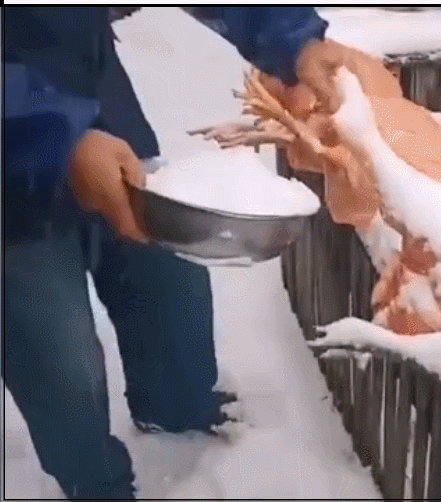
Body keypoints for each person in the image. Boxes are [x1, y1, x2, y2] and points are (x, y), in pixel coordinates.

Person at [4, 7, 344, 500]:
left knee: (166, 280)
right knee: (57, 349)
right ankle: (94, 482)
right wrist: (54, 137)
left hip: (93, 92)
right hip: (13, 151)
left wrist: (291, 39)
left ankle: (176, 409)